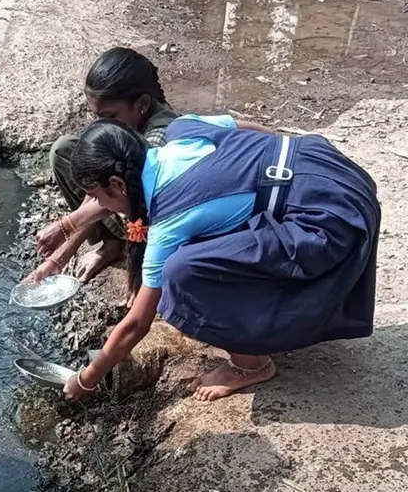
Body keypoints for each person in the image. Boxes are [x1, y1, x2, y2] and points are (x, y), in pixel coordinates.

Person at [60, 116, 379, 403]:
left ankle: (250, 365)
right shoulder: (182, 129)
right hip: (327, 166)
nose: (101, 205)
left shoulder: (169, 221)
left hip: (328, 219)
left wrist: (87, 378)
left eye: (97, 197)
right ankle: (255, 324)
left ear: (117, 185)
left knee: (181, 273)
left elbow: (136, 325)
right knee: (206, 246)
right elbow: (251, 129)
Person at [25, 47, 179, 285]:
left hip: (156, 217)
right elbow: (99, 185)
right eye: (96, 116)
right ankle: (112, 243)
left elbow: (110, 194)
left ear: (142, 104)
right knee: (64, 151)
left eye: (109, 116)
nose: (100, 124)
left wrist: (66, 228)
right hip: (122, 195)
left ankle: (136, 248)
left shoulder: (159, 139)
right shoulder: (128, 123)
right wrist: (57, 259)